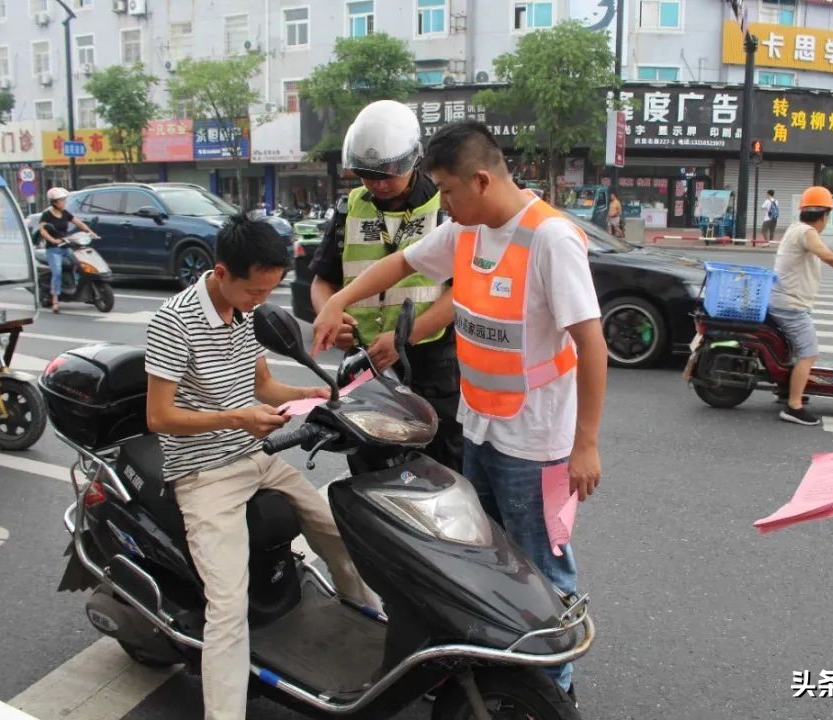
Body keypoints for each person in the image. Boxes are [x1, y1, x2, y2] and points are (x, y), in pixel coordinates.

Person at [312, 120, 608, 697]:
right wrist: (339, 301)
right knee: (488, 559)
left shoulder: (551, 238)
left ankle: (553, 689)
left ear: (479, 179)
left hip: (537, 440)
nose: (441, 202)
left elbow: (592, 345)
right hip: (480, 426)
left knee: (543, 568)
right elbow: (397, 265)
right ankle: (500, 672)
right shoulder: (467, 230)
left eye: (447, 190)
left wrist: (586, 443)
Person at [145, 215, 378, 720]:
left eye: (269, 291)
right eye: (254, 290)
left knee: (337, 532)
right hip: (204, 474)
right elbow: (159, 416)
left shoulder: (247, 313)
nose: (260, 301)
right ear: (222, 272)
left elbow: (265, 387)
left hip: (257, 456)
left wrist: (310, 393)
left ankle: (364, 623)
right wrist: (237, 418)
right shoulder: (173, 321)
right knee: (228, 607)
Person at [309, 99, 463, 471]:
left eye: (387, 174)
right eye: (366, 175)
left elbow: (463, 293)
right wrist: (332, 315)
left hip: (431, 366)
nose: (376, 184)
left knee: (439, 471)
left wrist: (404, 338)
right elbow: (323, 281)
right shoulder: (351, 208)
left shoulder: (446, 207)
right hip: (364, 365)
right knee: (371, 471)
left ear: (414, 159)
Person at [767, 185, 833, 426]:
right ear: (825, 215)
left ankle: (786, 389)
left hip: (786, 300)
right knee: (809, 353)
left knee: (795, 350)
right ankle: (793, 406)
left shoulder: (796, 229)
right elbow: (830, 257)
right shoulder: (807, 233)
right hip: (790, 305)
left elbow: (827, 254)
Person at [37, 187, 98, 313]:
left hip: (66, 247)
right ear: (54, 202)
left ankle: (80, 289)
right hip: (53, 250)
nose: (64, 202)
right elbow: (42, 230)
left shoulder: (65, 213)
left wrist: (91, 232)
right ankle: (55, 301)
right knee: (57, 272)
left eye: (64, 200)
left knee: (81, 264)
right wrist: (53, 240)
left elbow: (78, 223)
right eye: (61, 200)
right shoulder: (47, 215)